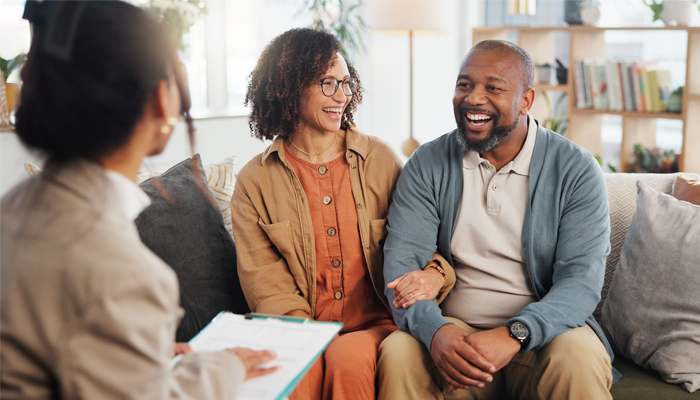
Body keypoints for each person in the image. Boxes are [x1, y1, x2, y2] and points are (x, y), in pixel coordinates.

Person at [0, 2, 277, 399]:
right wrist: (225, 365)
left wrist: (139, 352)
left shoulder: (14, 207)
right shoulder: (125, 275)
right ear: (161, 99)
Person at [376, 40, 618, 400]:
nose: (473, 98)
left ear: (526, 100)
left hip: (545, 336)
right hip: (454, 329)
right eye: (464, 85)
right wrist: (435, 331)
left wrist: (514, 334)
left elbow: (580, 283)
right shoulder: (428, 163)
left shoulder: (575, 169)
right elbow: (402, 266)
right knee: (398, 351)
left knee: (578, 356)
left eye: (493, 87)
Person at [231, 28, 454, 400]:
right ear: (289, 87)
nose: (342, 96)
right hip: (299, 326)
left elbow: (426, 240)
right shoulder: (254, 181)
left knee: (347, 360)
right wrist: (306, 339)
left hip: (379, 322)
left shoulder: (380, 160)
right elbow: (266, 285)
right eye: (328, 83)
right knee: (290, 375)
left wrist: (433, 274)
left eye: (346, 83)